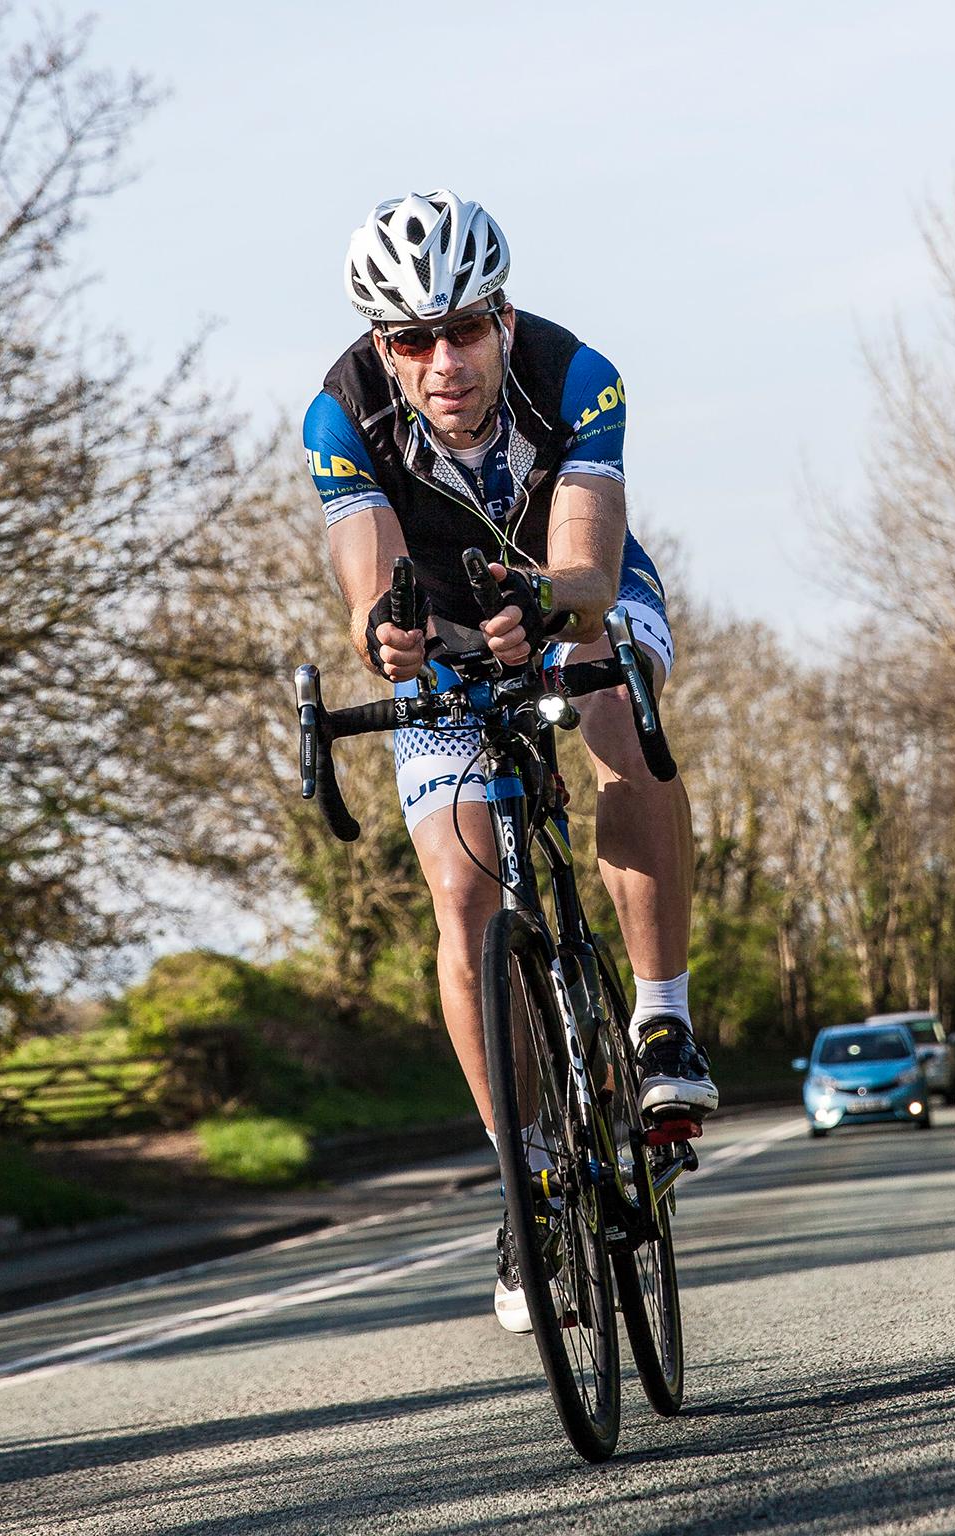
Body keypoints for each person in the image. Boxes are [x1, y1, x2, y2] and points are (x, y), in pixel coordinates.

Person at [303, 189, 717, 1333]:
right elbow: (364, 573)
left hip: (574, 600)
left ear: (501, 313)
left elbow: (586, 562)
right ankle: (525, 1175)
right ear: (381, 347)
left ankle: (659, 1016)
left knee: (620, 726)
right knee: (460, 890)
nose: (442, 360)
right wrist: (379, 634)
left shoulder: (574, 375)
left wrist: (543, 599)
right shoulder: (340, 418)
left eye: (463, 329)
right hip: (442, 638)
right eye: (409, 339)